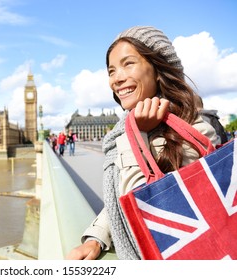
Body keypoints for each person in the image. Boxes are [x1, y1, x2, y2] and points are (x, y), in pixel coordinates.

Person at [66, 26, 217, 260]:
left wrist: (135, 138)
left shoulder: (195, 129)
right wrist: (98, 237)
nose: (117, 78)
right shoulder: (127, 125)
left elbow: (147, 215)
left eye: (129, 64)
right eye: (111, 70)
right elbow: (119, 200)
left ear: (158, 69)